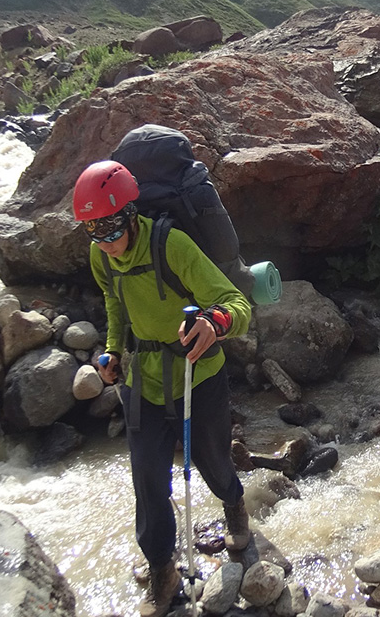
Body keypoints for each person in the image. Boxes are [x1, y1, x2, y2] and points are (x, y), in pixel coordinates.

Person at [75, 160, 253, 617]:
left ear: (130, 214)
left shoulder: (171, 244)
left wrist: (215, 323)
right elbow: (115, 303)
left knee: (212, 459)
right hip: (144, 381)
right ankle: (162, 568)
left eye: (111, 226)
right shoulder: (102, 255)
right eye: (95, 231)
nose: (107, 241)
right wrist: (114, 350)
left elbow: (237, 303)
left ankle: (234, 504)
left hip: (198, 375)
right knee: (148, 480)